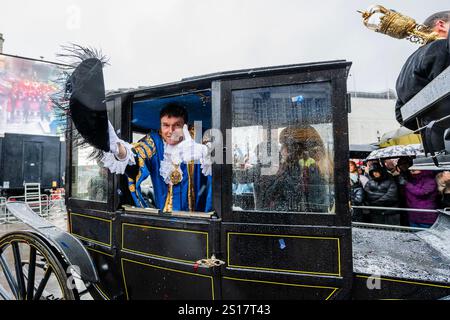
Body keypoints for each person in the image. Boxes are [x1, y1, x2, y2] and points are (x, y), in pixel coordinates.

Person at [102, 102, 212, 213]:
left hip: (200, 220)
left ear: (185, 126)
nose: (170, 131)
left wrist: (206, 151)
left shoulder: (199, 136)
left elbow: (222, 153)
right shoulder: (154, 142)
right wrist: (117, 148)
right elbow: (135, 157)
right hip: (163, 221)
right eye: (166, 125)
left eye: (176, 125)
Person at [395, 10, 450, 129]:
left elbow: (400, 115)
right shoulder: (442, 47)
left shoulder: (408, 63)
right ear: (441, 25)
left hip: (432, 139)